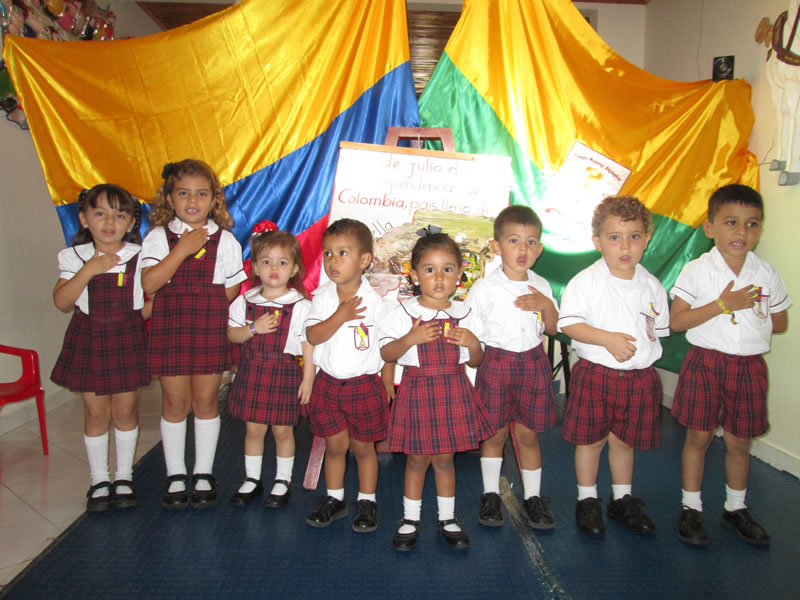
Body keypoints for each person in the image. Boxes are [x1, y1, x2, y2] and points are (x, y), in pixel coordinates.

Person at [670, 184, 791, 546]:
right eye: (732, 222)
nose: (742, 232)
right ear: (711, 228)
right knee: (699, 437)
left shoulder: (766, 273)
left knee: (740, 442)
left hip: (749, 367)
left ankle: (735, 508)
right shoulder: (697, 270)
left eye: (752, 224)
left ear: (760, 230)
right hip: (705, 363)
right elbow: (677, 322)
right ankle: (691, 507)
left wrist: (756, 310)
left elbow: (780, 322)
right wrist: (725, 304)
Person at [558, 195, 669, 537]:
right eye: (614, 237)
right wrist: (607, 338)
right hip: (596, 375)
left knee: (624, 441)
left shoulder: (651, 284)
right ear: (597, 242)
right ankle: (587, 499)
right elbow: (570, 325)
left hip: (638, 378)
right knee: (590, 441)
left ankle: (622, 499)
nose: (625, 246)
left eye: (634, 236)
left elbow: (656, 329)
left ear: (646, 239)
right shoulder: (586, 281)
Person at [142, 159, 247, 509]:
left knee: (205, 402)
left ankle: (203, 472)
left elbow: (232, 289)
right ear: (169, 197)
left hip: (208, 329)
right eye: (183, 193)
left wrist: (206, 306)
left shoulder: (226, 240)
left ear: (213, 199)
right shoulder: (159, 237)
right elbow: (150, 283)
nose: (192, 200)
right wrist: (182, 249)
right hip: (171, 329)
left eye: (201, 193)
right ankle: (175, 473)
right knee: (175, 402)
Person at [381, 231, 494, 551]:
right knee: (417, 460)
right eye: (429, 269)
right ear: (414, 275)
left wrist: (472, 343)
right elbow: (387, 354)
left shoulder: (465, 313)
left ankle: (447, 517)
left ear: (460, 273)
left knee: (445, 459)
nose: (439, 277)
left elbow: (478, 359)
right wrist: (410, 340)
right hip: (418, 390)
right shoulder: (402, 313)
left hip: (453, 389)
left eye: (447, 269)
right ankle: (410, 518)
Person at [51, 184, 151, 511]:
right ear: (83, 219)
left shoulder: (139, 257)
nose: (110, 222)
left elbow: (146, 304)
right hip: (90, 340)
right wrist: (90, 269)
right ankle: (99, 480)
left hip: (127, 340)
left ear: (131, 222)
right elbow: (62, 301)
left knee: (124, 411)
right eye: (100, 213)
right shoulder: (73, 256)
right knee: (96, 412)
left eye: (119, 215)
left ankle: (123, 476)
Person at [466, 205, 559, 529]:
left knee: (528, 433)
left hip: (533, 363)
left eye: (531, 242)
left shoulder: (542, 285)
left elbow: (551, 329)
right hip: (496, 362)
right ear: (496, 247)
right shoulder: (484, 289)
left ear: (540, 249)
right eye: (514, 241)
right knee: (494, 434)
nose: (523, 249)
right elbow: (473, 336)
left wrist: (546, 306)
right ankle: (490, 494)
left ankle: (533, 496)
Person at [303, 218, 394, 532]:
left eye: (342, 253)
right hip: (328, 385)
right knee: (335, 446)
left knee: (363, 448)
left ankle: (367, 500)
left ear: (365, 260)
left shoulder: (377, 304)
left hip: (364, 385)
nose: (332, 260)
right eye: (328, 253)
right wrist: (340, 316)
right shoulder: (324, 297)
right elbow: (313, 336)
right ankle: (335, 498)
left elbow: (388, 345)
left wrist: (386, 381)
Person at [227, 222, 315, 508]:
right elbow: (232, 333)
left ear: (294, 269)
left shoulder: (300, 304)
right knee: (254, 430)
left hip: (285, 372)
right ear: (255, 268)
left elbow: (308, 345)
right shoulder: (245, 301)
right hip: (253, 371)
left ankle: (282, 479)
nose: (273, 268)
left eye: (281, 262)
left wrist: (308, 379)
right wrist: (253, 329)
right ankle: (252, 479)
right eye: (266, 262)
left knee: (282, 430)